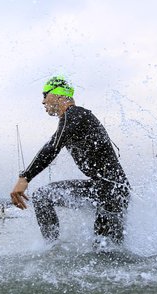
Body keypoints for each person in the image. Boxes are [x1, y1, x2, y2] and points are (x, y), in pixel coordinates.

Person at [10, 76, 130, 245]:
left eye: (45, 95)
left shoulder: (75, 115)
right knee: (105, 249)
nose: (43, 101)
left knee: (107, 251)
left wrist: (24, 177)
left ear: (58, 96)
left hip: (111, 191)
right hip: (107, 189)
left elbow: (52, 147)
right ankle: (52, 248)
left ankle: (52, 248)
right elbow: (53, 144)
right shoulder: (72, 120)